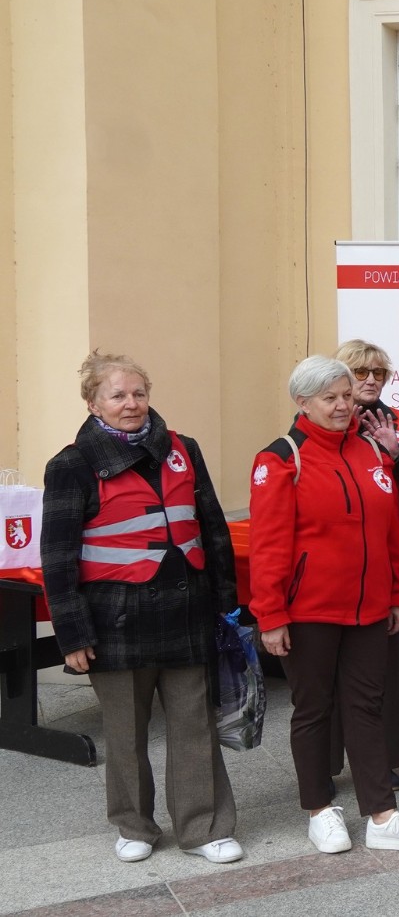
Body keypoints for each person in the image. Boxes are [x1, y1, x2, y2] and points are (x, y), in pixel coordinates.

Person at [42, 352, 243, 865]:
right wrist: (72, 634)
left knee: (195, 725)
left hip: (187, 610)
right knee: (125, 731)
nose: (131, 404)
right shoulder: (70, 466)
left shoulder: (185, 449)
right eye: (117, 395)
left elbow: (214, 530)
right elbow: (58, 558)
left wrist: (227, 606)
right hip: (114, 620)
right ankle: (134, 826)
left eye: (139, 393)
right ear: (93, 403)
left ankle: (204, 828)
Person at [250, 356, 399, 854]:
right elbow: (268, 547)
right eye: (329, 398)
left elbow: (391, 531)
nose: (342, 406)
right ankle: (319, 810)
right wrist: (271, 615)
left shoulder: (371, 451)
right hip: (309, 611)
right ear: (302, 402)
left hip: (371, 609)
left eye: (347, 396)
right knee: (314, 710)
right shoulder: (280, 458)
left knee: (367, 707)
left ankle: (382, 815)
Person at [329, 340, 399, 792]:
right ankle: (325, 762)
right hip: (333, 558)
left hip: (385, 554)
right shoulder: (321, 418)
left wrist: (396, 451)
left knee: (382, 666)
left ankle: (383, 758)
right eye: (360, 372)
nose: (369, 381)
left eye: (378, 373)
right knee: (326, 669)